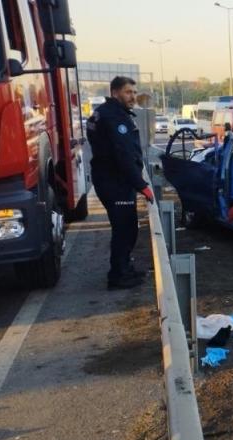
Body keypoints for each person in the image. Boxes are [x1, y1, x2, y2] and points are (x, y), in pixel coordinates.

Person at [87, 76, 154, 290]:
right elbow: (123, 155)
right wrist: (141, 185)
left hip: (109, 179)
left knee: (124, 227)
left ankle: (124, 268)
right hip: (115, 182)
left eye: (134, 92)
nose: (133, 97)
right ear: (115, 93)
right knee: (125, 229)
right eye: (128, 92)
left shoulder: (105, 113)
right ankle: (118, 275)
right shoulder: (115, 118)